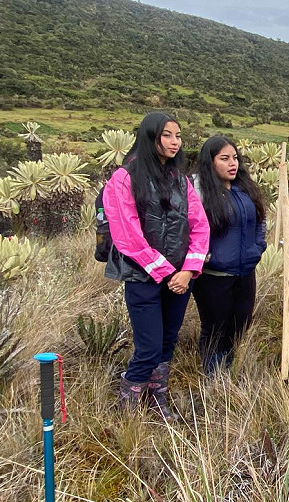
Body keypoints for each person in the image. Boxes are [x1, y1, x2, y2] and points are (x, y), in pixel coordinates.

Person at [103, 111, 210, 418]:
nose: (175, 142)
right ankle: (129, 407)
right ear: (150, 137)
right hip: (142, 277)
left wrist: (188, 270)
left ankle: (157, 401)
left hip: (181, 277)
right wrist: (167, 274)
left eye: (178, 136)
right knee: (148, 346)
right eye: (167, 135)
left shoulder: (181, 181)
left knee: (167, 342)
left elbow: (199, 225)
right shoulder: (124, 178)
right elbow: (128, 235)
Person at [191, 136, 266, 376]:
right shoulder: (199, 192)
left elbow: (259, 221)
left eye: (235, 158)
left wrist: (258, 247)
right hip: (213, 276)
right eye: (224, 159)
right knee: (215, 329)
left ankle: (231, 371)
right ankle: (213, 378)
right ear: (210, 162)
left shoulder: (244, 190)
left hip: (245, 272)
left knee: (240, 325)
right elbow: (190, 229)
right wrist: (206, 257)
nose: (232, 164)